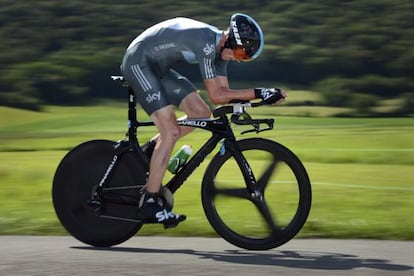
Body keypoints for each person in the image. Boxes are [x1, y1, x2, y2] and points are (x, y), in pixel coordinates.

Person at [120, 13, 287, 228]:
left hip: (157, 69)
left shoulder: (220, 55)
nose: (238, 58)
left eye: (245, 58)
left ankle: (149, 152)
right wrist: (260, 92)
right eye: (240, 52)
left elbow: (222, 95)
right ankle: (150, 202)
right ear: (230, 39)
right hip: (138, 62)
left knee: (201, 112)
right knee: (170, 131)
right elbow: (218, 95)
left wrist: (259, 96)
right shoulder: (207, 44)